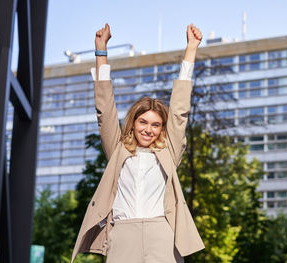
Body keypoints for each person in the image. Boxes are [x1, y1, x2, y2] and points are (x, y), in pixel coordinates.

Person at [70, 23, 205, 263]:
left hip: (161, 234)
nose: (149, 129)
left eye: (156, 125)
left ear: (162, 129)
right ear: (133, 123)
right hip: (123, 235)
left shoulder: (167, 152)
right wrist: (101, 52)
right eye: (143, 122)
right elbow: (105, 111)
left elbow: (180, 111)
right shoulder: (118, 150)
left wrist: (191, 49)